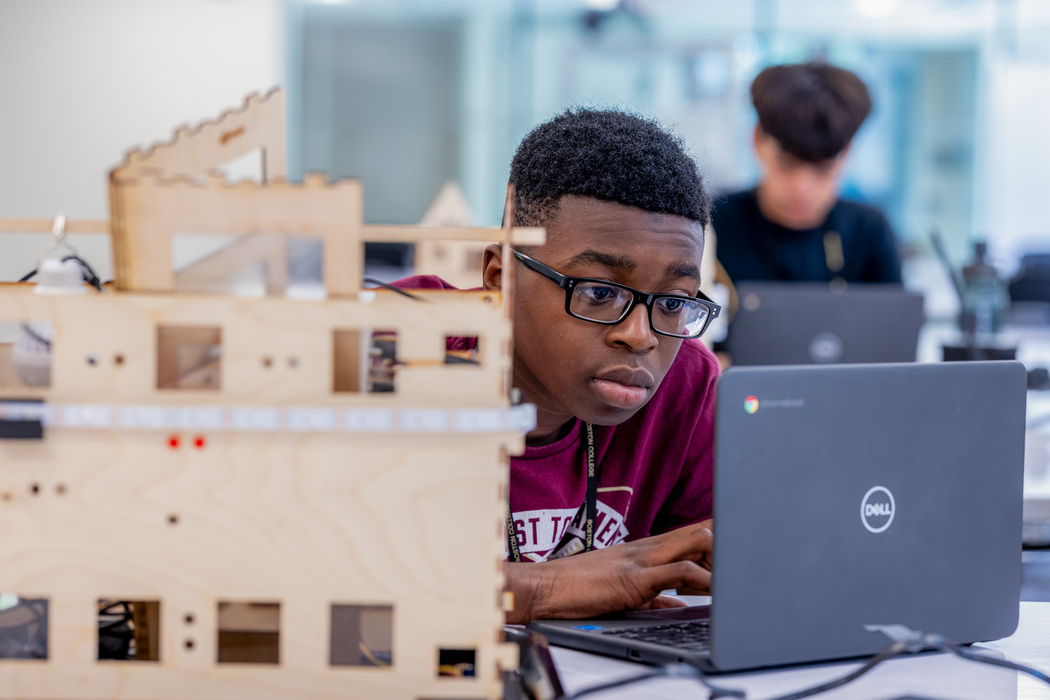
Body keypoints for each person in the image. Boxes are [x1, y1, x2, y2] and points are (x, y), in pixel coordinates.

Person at [397, 108, 721, 623]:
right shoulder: (392, 345)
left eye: (674, 302)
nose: (639, 336)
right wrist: (543, 589)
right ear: (500, 277)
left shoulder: (688, 385)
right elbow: (296, 568)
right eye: (597, 292)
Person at [713, 62, 902, 284]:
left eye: (823, 169)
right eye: (786, 164)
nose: (802, 189)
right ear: (756, 140)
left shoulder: (869, 233)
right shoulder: (711, 225)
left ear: (847, 153)